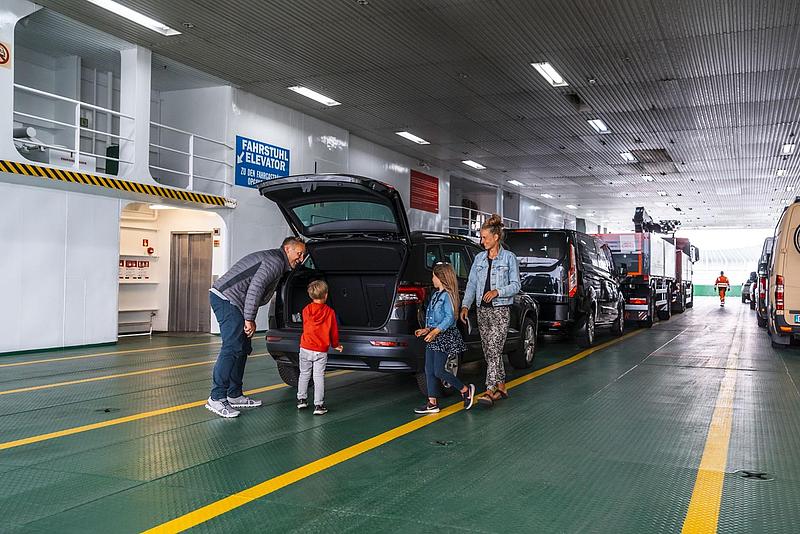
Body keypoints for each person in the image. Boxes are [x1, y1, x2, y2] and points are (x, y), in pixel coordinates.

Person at [205, 237, 307, 418]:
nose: (300, 258)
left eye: (303, 255)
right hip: (226, 299)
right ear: (287, 249)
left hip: (235, 301)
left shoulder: (280, 263)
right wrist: (249, 319)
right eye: (298, 254)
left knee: (242, 348)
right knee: (231, 347)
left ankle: (234, 394)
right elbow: (255, 289)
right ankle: (217, 397)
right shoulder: (275, 261)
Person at [460, 214, 521, 406]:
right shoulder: (479, 258)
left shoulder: (509, 258)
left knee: (494, 349)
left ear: (496, 237)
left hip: (500, 310)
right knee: (489, 351)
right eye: (481, 237)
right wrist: (465, 305)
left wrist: (497, 291)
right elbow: (471, 284)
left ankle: (489, 390)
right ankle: (502, 385)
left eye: (485, 237)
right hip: (482, 311)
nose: (482, 241)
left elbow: (516, 285)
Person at [414, 263, 476, 414]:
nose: (432, 279)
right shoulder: (436, 295)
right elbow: (435, 318)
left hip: (444, 336)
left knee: (439, 371)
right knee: (428, 369)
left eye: (434, 276)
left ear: (441, 278)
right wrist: (426, 329)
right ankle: (432, 403)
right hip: (434, 335)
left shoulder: (448, 296)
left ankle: (465, 390)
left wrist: (435, 332)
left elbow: (449, 318)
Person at [297, 280, 343, 415]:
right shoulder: (330, 312)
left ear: (310, 295)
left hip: (305, 347)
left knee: (304, 374)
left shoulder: (306, 310)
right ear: (326, 295)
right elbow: (333, 332)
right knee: (318, 377)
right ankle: (318, 406)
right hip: (320, 351)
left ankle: (301, 400)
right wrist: (336, 345)